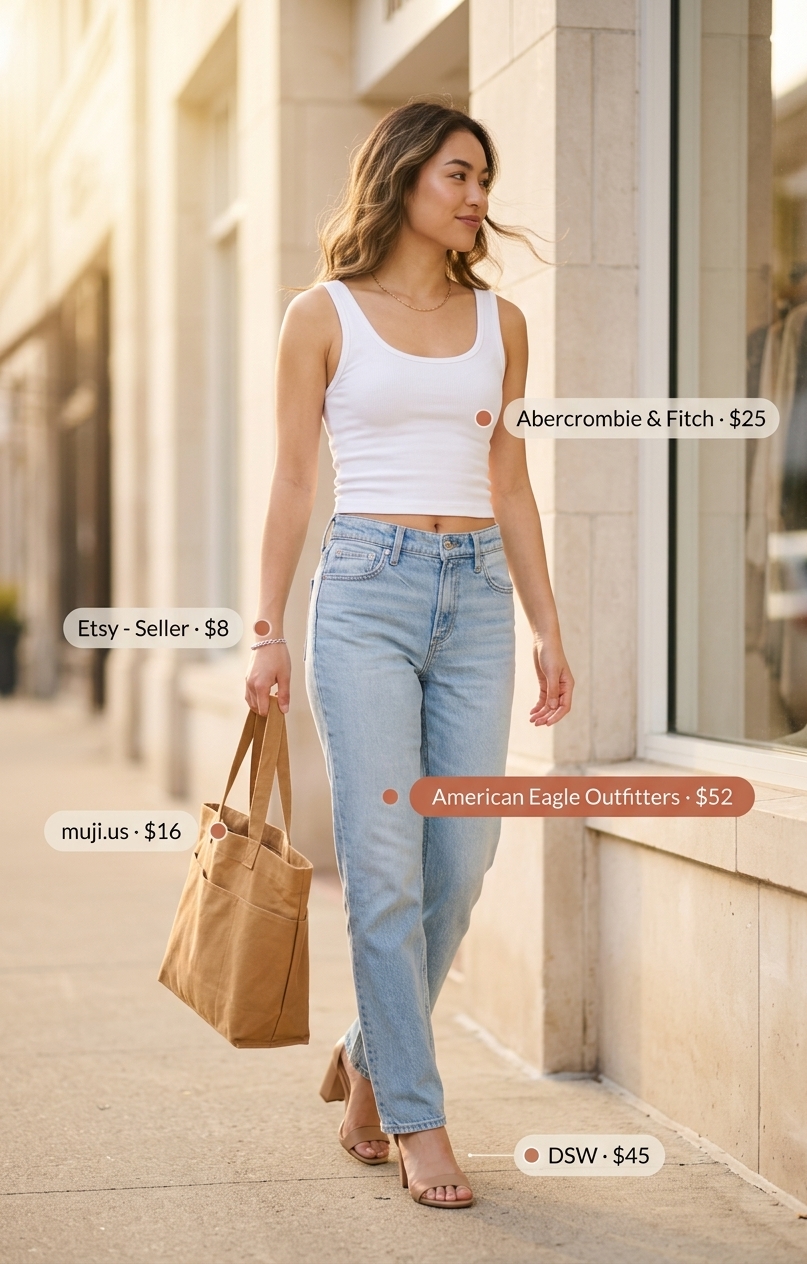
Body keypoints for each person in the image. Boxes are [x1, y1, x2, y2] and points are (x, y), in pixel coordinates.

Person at [245, 101, 574, 1209]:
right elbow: (294, 478)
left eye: (484, 178)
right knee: (384, 867)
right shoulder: (320, 314)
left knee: (463, 859)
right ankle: (415, 1119)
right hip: (365, 598)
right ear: (402, 177)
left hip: (476, 597)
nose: (477, 196)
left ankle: (366, 1053)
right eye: (458, 174)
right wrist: (264, 628)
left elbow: (510, 483)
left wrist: (546, 624)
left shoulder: (501, 323)